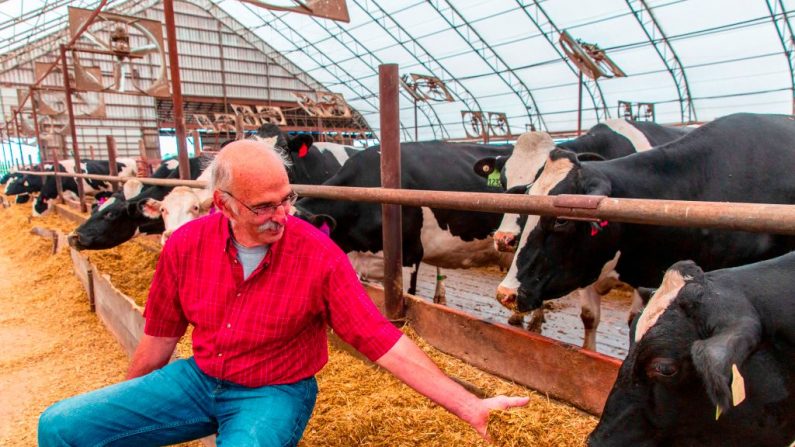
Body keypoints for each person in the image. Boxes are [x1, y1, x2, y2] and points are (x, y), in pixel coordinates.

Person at [38, 139, 529, 446]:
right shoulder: (185, 245)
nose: (284, 214)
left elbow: (381, 339)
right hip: (199, 379)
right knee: (59, 426)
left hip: (274, 392)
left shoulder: (317, 254)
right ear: (224, 204)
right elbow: (159, 339)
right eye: (265, 206)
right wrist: (129, 401)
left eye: (287, 198)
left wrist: (469, 405)